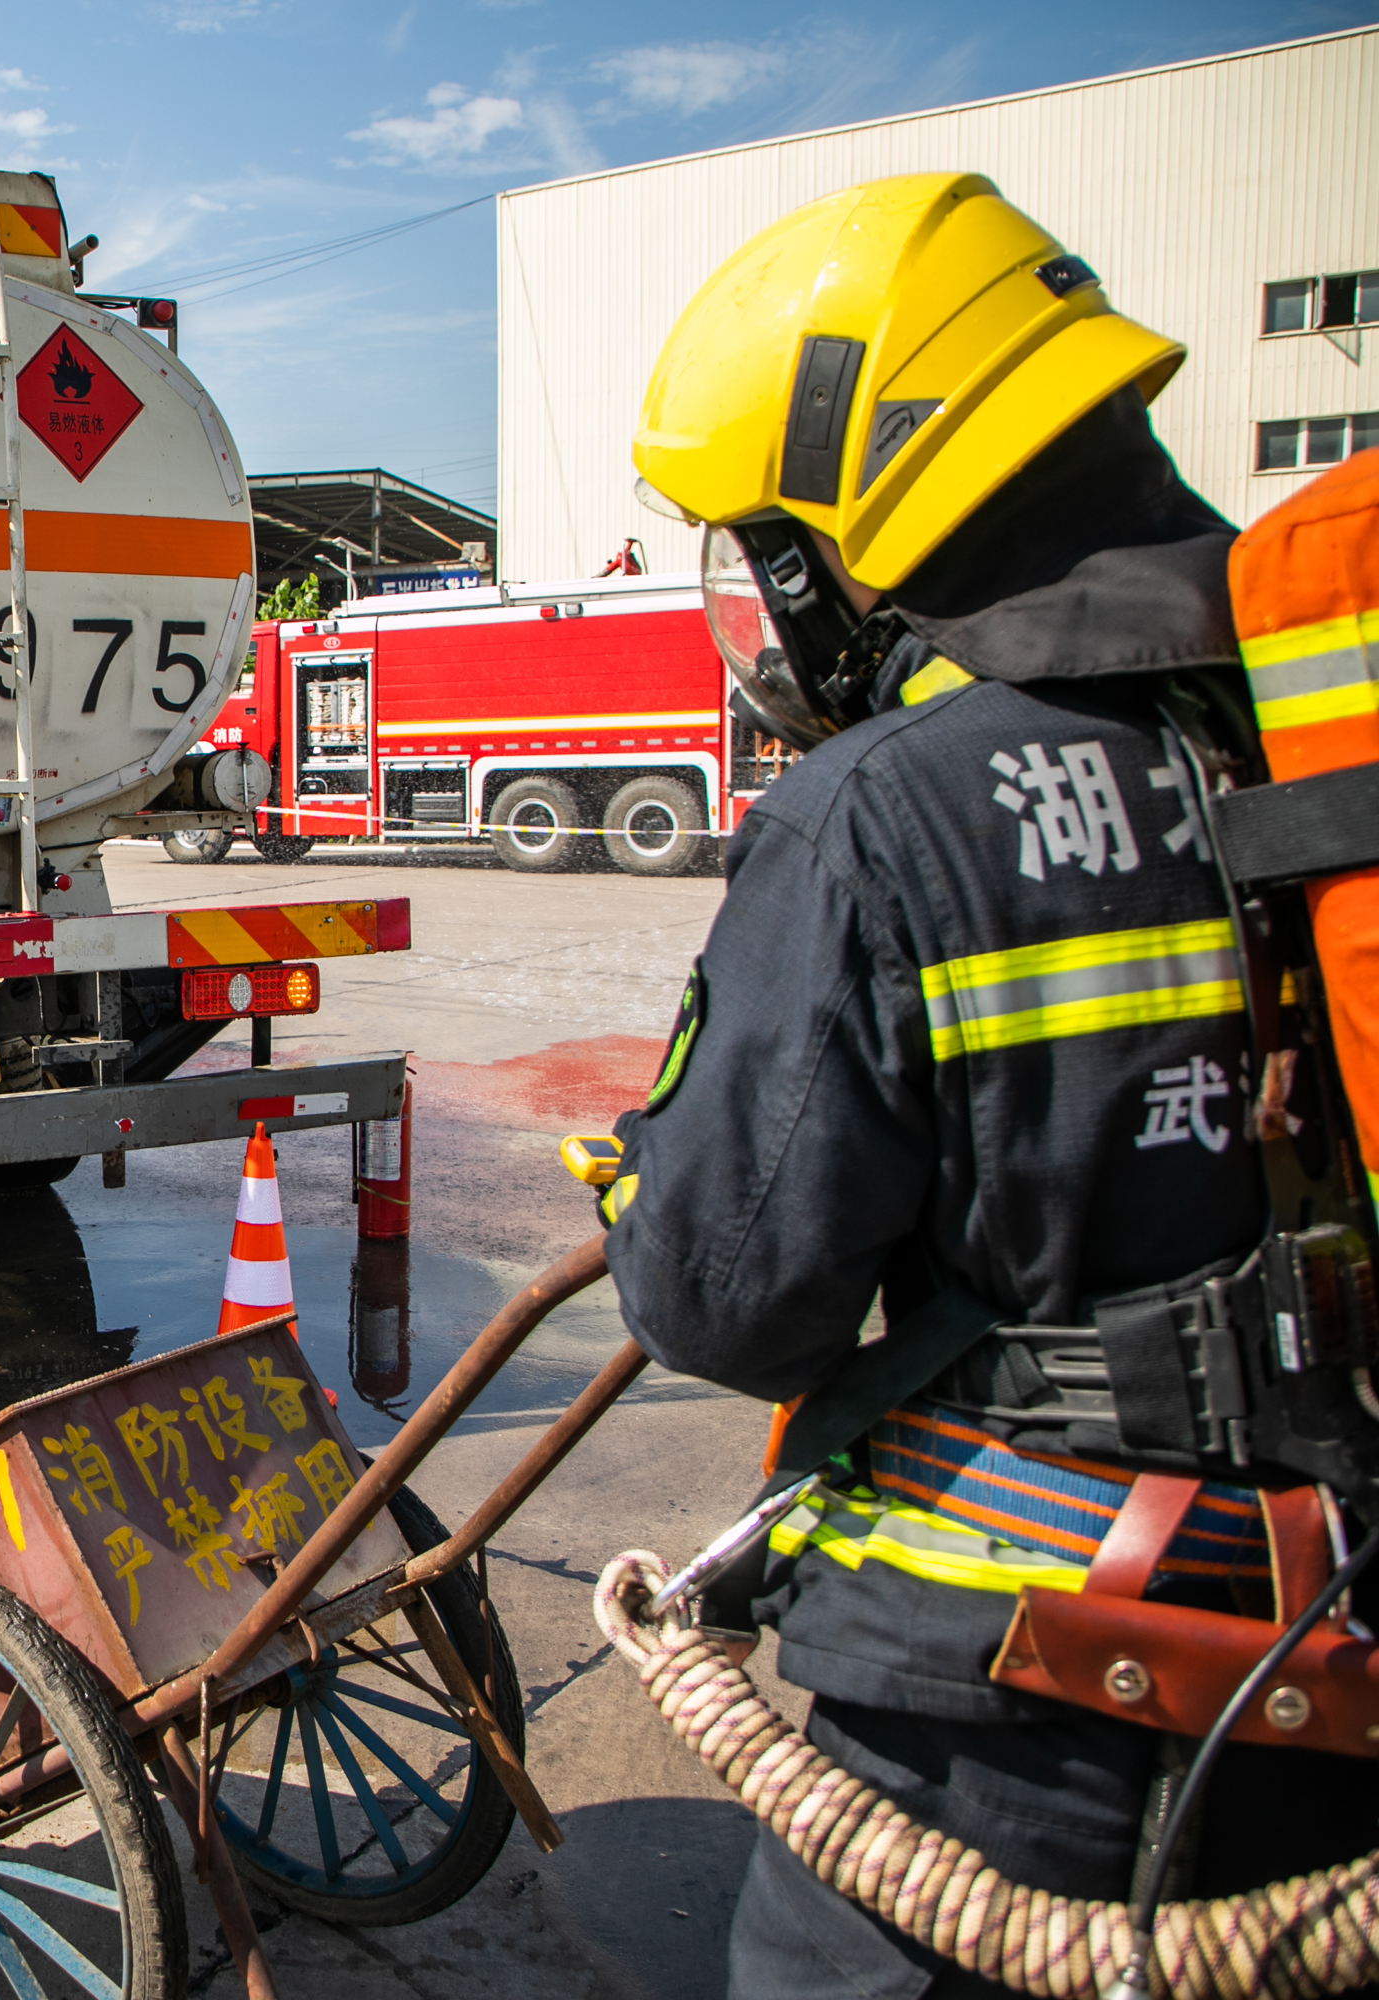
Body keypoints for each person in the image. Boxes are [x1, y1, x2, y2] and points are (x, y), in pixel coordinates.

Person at [603, 171, 1379, 1996]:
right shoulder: (1325, 717)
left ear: (828, 544)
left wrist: (652, 1176)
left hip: (1011, 1724)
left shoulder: (890, 808)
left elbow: (727, 1300)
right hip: (1340, 1660)